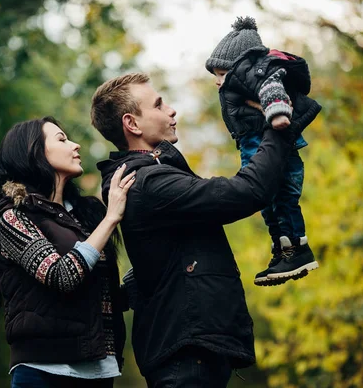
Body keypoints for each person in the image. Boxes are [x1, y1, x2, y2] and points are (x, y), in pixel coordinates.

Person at [90, 72, 313, 387]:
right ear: (133, 124)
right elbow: (245, 192)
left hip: (189, 351)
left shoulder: (152, 175)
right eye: (158, 105)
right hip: (185, 355)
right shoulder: (150, 184)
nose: (171, 110)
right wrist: (278, 125)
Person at [0, 116, 136, 388]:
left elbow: (105, 297)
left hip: (99, 370)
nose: (75, 145)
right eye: (62, 139)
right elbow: (61, 275)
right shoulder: (13, 216)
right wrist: (111, 217)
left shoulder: (86, 216)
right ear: (34, 151)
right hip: (43, 371)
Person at [205, 16, 321, 286]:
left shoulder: (249, 72)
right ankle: (283, 251)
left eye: (220, 74)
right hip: (256, 147)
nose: (217, 81)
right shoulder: (238, 80)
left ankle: (296, 249)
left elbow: (271, 86)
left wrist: (277, 112)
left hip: (271, 148)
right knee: (268, 204)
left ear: (237, 66)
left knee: (282, 200)